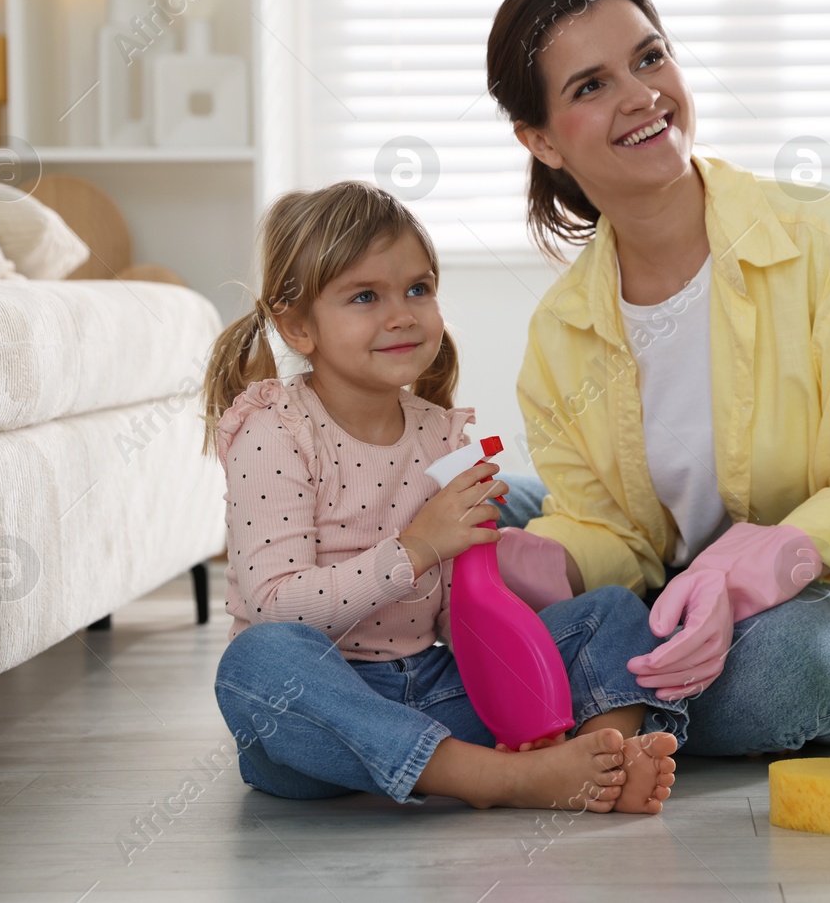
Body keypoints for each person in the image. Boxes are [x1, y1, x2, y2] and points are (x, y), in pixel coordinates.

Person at [484, 0, 830, 756]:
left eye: (651, 57)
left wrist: (745, 569)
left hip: (828, 594)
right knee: (481, 514)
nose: (641, 95)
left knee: (784, 668)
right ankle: (606, 690)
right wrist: (541, 563)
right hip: (670, 593)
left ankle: (580, 703)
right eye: (593, 84)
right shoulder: (561, 331)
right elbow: (620, 537)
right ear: (541, 138)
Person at [203, 180, 684, 812]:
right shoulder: (274, 428)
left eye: (418, 289)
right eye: (365, 296)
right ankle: (502, 780)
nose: (402, 314)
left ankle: (595, 759)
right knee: (256, 664)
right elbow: (271, 606)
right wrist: (415, 548)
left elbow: (460, 624)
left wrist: (497, 593)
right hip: (320, 718)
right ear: (298, 326)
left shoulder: (445, 437)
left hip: (434, 692)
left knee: (614, 611)